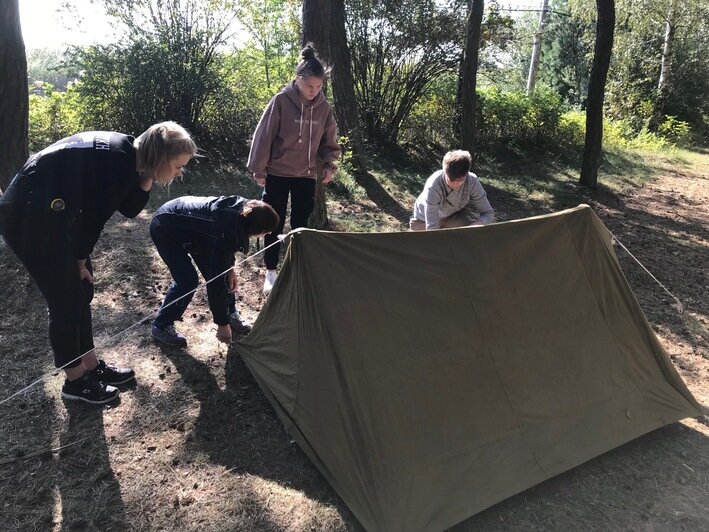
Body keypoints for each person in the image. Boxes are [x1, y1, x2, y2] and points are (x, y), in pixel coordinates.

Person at [0, 122, 198, 405]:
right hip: (27, 215)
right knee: (66, 298)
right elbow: (93, 219)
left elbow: (129, 209)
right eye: (178, 166)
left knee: (82, 290)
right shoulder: (117, 161)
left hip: (54, 214)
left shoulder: (130, 155)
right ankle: (75, 381)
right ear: (161, 156)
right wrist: (80, 261)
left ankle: (91, 366)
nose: (179, 173)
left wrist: (149, 175)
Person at [247, 43, 341, 295]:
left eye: (319, 87)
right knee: (273, 223)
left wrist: (329, 164)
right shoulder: (280, 101)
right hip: (277, 173)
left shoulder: (324, 108)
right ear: (298, 80)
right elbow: (264, 135)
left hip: (306, 175)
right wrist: (259, 169)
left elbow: (329, 140)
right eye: (310, 86)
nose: (314, 91)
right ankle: (270, 270)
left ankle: (295, 266)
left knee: (300, 224)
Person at [150, 196, 279, 347]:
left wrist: (230, 268)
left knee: (225, 276)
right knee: (187, 281)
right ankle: (161, 326)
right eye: (266, 232)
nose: (268, 235)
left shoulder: (244, 215)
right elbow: (215, 282)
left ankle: (231, 314)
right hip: (165, 227)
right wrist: (221, 324)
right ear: (255, 228)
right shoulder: (227, 228)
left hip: (197, 232)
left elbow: (226, 249)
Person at [410, 150, 495, 231]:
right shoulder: (433, 186)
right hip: (423, 221)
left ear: (466, 174)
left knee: (470, 237)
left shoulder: (472, 182)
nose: (456, 185)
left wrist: (476, 225)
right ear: (444, 171)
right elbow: (432, 228)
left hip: (453, 217)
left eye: (460, 181)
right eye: (450, 180)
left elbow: (488, 213)